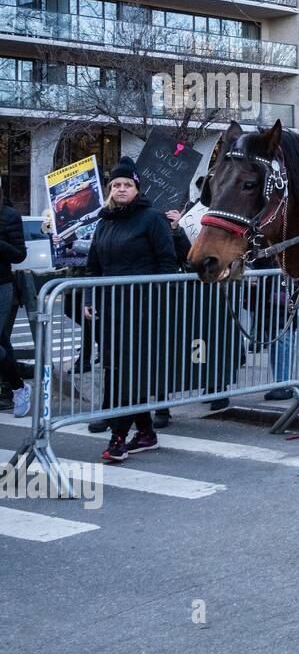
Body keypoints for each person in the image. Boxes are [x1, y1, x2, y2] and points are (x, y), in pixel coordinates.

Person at [85, 158, 178, 462]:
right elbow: (93, 267)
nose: (121, 189)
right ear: (109, 190)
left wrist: (156, 299)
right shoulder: (104, 223)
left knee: (128, 375)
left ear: (137, 188)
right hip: (112, 311)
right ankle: (147, 432)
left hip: (143, 312)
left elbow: (167, 262)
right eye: (116, 185)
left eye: (127, 184)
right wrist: (89, 299)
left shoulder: (152, 219)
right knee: (118, 371)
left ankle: (118, 437)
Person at [0, 176, 29, 416]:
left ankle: (18, 387)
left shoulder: (10, 215)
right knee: (2, 343)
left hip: (1, 285)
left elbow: (19, 254)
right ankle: (16, 387)